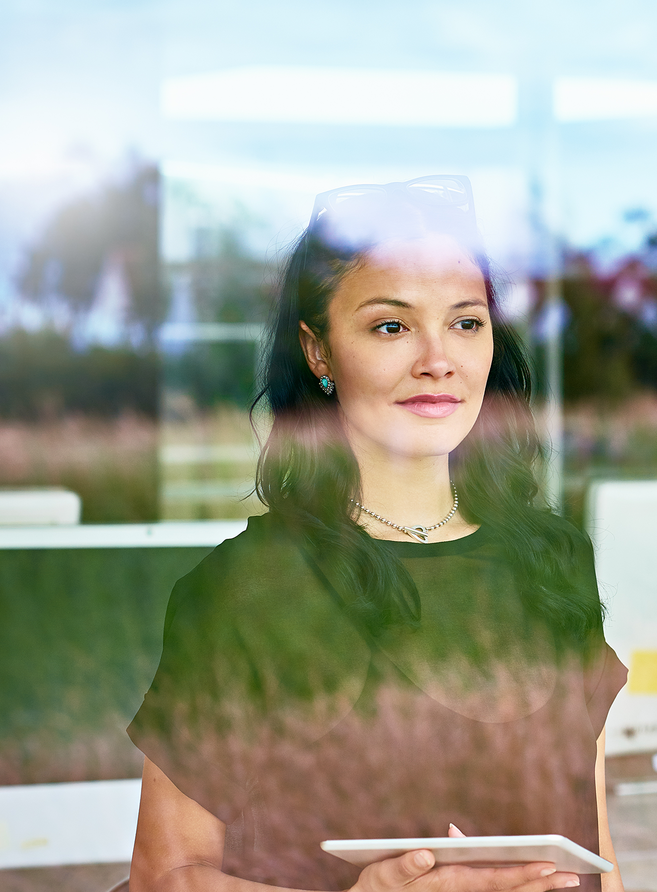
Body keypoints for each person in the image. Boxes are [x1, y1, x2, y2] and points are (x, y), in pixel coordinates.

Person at [126, 177, 628, 892]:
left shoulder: (555, 558)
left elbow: (597, 846)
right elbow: (163, 878)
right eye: (391, 326)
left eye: (465, 322)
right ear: (319, 352)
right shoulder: (245, 590)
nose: (438, 359)